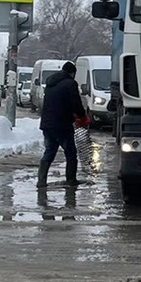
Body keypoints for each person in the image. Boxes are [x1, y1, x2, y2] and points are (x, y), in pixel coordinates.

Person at [37, 61, 89, 189]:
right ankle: (71, 179)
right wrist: (82, 116)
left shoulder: (50, 83)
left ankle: (41, 180)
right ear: (72, 73)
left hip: (47, 124)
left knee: (49, 151)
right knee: (71, 153)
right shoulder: (70, 83)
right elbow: (75, 103)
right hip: (62, 125)